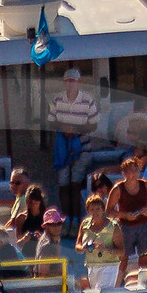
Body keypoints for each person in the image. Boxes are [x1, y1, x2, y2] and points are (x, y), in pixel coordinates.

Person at [49, 65, 98, 215]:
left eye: (74, 81)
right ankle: (65, 218)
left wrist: (76, 130)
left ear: (79, 82)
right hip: (63, 147)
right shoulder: (57, 99)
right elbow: (51, 121)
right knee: (63, 184)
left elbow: (94, 124)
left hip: (82, 147)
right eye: (68, 81)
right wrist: (63, 127)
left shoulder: (87, 100)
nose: (71, 84)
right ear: (64, 82)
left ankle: (76, 219)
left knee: (75, 183)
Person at [105, 153, 147, 286]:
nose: (132, 174)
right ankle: (116, 285)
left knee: (145, 256)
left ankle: (143, 282)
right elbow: (109, 211)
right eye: (129, 171)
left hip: (144, 224)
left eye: (135, 170)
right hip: (125, 227)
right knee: (123, 258)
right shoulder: (118, 189)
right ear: (123, 173)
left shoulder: (145, 185)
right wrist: (124, 215)